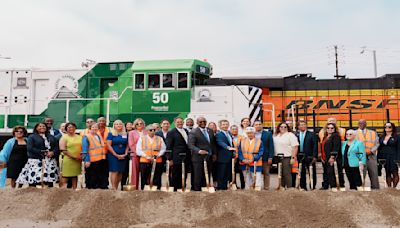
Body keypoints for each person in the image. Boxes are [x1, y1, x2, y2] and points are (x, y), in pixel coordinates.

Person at [16, 122, 59, 187]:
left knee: (49, 180)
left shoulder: (51, 137)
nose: (42, 127)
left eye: (44, 126)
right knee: (34, 179)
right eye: (40, 126)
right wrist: (42, 152)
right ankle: (33, 194)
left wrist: (53, 152)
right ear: (36, 128)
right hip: (36, 160)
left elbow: (56, 147)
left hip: (49, 161)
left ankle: (48, 194)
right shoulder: (32, 137)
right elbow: (30, 148)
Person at [188, 117, 217, 191]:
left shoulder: (210, 130)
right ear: (197, 123)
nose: (203, 123)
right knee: (198, 175)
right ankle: (197, 189)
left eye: (204, 121)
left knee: (207, 173)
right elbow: (190, 145)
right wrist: (199, 151)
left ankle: (205, 187)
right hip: (198, 157)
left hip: (209, 157)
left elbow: (213, 144)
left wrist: (214, 154)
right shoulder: (193, 132)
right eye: (200, 122)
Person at [136, 124, 166, 190]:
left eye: (154, 130)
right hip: (145, 161)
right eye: (150, 130)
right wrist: (146, 156)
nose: (152, 131)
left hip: (157, 160)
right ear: (147, 131)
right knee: (144, 177)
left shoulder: (159, 138)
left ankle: (157, 190)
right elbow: (138, 150)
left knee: (157, 177)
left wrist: (158, 155)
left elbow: (163, 149)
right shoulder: (142, 138)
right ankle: (144, 190)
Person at [318, 117, 345, 189]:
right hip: (325, 157)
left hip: (333, 158)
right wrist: (322, 157)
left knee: (335, 172)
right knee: (328, 173)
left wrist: (332, 157)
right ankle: (330, 186)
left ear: (334, 129)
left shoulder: (336, 136)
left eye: (332, 128)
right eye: (328, 128)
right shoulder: (325, 137)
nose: (330, 129)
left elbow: (336, 147)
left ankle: (338, 186)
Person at [166, 117, 190, 191]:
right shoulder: (171, 132)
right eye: (178, 122)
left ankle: (183, 186)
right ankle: (175, 188)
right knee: (176, 173)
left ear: (183, 122)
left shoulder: (186, 131)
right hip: (176, 157)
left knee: (184, 172)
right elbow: (169, 146)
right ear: (175, 123)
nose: (180, 123)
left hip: (186, 156)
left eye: (181, 121)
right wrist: (169, 159)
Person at [82, 123, 108, 189]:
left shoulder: (99, 136)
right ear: (90, 128)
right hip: (91, 160)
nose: (94, 129)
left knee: (100, 176)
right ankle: (90, 188)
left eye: (96, 127)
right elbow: (85, 150)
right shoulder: (86, 137)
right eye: (93, 127)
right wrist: (87, 160)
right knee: (91, 176)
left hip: (101, 160)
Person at [273, 122, 299, 189]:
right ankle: (282, 186)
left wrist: (293, 157)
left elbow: (295, 146)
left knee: (287, 173)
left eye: (285, 127)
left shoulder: (290, 135)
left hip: (286, 157)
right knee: (280, 173)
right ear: (279, 127)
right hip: (277, 157)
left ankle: (290, 187)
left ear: (287, 128)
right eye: (281, 127)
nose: (283, 128)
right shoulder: (276, 135)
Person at [355, 119, 380, 189]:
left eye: (363, 123)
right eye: (360, 123)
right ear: (358, 124)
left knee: (374, 174)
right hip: (359, 157)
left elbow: (377, 144)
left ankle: (376, 190)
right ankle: (360, 189)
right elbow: (352, 145)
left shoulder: (373, 133)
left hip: (371, 156)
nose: (361, 124)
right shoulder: (354, 133)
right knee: (360, 175)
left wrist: (371, 151)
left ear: (366, 124)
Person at [58, 122, 82, 189]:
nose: (71, 128)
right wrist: (74, 157)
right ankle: (62, 191)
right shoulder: (64, 137)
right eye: (69, 127)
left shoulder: (79, 137)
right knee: (65, 175)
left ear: (75, 128)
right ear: (66, 129)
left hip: (77, 160)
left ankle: (74, 191)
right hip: (67, 159)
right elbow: (63, 149)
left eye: (72, 127)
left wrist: (80, 156)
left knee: (75, 175)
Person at [106, 120, 128, 190]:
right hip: (113, 156)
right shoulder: (111, 134)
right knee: (115, 171)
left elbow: (127, 145)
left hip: (123, 155)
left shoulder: (125, 134)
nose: (118, 125)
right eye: (116, 124)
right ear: (114, 126)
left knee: (120, 172)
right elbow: (108, 145)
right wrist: (116, 155)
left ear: (122, 125)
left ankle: (116, 186)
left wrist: (126, 153)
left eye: (120, 124)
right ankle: (113, 187)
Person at [296, 120, 318, 190]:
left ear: (306, 125)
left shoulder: (312, 134)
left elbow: (315, 145)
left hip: (310, 156)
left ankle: (312, 186)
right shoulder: (296, 134)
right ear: (298, 126)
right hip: (300, 156)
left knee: (312, 172)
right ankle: (303, 187)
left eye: (303, 124)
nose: (302, 126)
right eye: (300, 125)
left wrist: (315, 156)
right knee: (301, 172)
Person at [253, 120, 274, 191]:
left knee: (266, 172)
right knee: (255, 172)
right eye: (256, 124)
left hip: (265, 156)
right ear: (254, 126)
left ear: (262, 125)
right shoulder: (251, 134)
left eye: (259, 124)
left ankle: (266, 187)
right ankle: (255, 186)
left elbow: (271, 146)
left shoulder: (268, 134)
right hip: (254, 157)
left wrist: (270, 157)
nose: (258, 126)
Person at [378, 122, 400, 188]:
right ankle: (390, 188)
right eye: (385, 127)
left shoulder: (397, 137)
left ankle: (394, 188)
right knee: (387, 173)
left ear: (392, 128)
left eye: (389, 127)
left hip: (393, 156)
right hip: (384, 156)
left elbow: (399, 148)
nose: (387, 128)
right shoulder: (381, 137)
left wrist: (398, 159)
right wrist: (378, 157)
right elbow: (379, 148)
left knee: (395, 172)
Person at [215, 120, 236, 190]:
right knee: (221, 173)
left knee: (227, 172)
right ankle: (220, 187)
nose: (225, 126)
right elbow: (220, 142)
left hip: (229, 157)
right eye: (223, 124)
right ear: (220, 126)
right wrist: (228, 147)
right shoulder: (218, 134)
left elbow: (231, 143)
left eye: (226, 124)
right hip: (222, 157)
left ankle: (225, 186)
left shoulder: (229, 133)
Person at [128, 118, 147, 189]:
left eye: (141, 123)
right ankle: (134, 187)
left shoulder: (147, 132)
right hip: (135, 154)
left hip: (145, 155)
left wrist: (144, 153)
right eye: (137, 124)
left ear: (143, 124)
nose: (139, 125)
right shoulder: (131, 133)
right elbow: (131, 144)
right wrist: (138, 153)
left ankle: (144, 187)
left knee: (145, 172)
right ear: (135, 125)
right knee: (134, 173)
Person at [230, 125, 245, 189]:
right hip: (232, 157)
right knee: (233, 172)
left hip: (241, 157)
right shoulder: (229, 137)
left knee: (241, 172)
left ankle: (243, 186)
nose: (234, 130)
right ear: (230, 130)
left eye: (236, 129)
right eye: (233, 129)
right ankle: (234, 185)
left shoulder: (242, 137)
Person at [121, 121, 134, 190]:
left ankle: (131, 185)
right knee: (125, 171)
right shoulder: (123, 134)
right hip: (125, 154)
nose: (129, 126)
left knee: (132, 171)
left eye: (130, 125)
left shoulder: (135, 133)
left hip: (133, 153)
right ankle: (123, 185)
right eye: (127, 125)